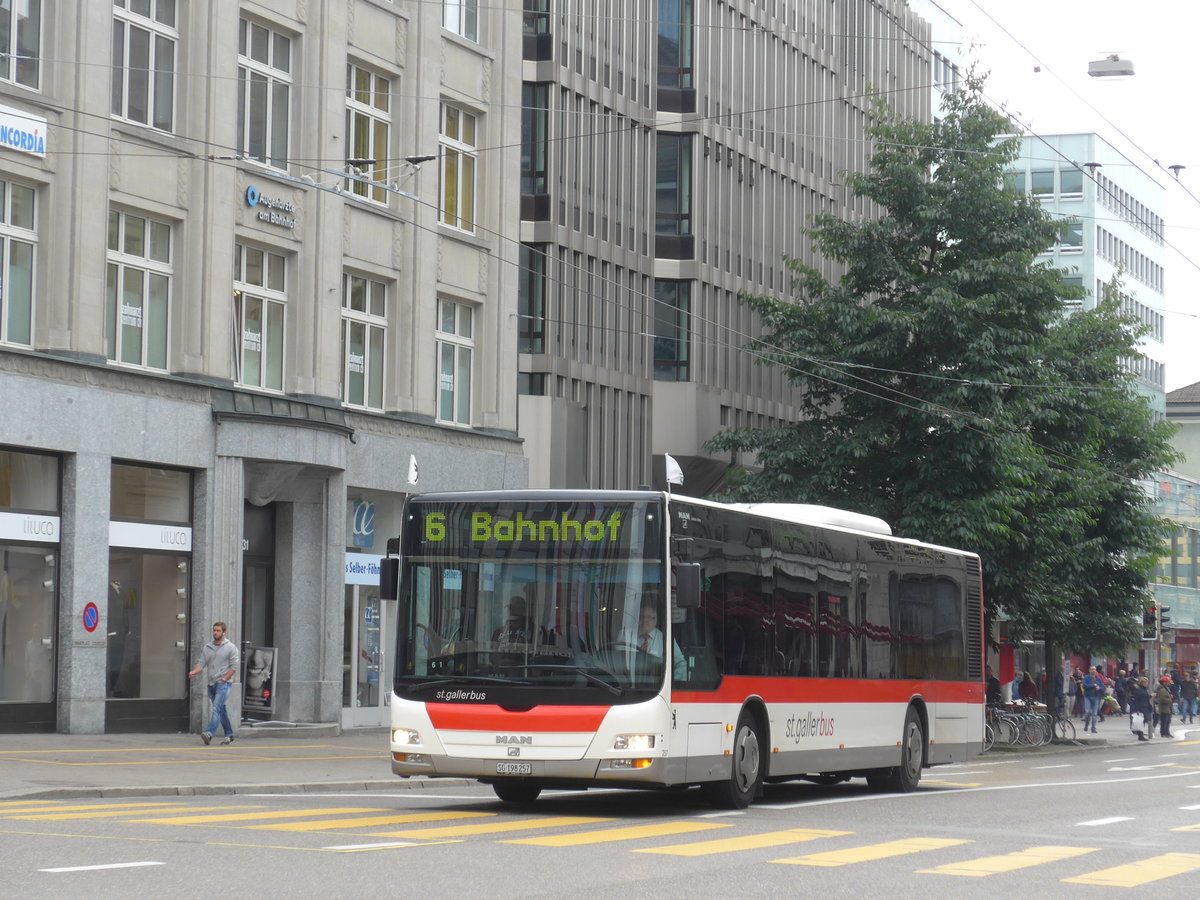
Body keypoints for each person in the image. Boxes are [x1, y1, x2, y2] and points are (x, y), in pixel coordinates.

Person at [188, 621, 240, 745]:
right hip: (211, 684)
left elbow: (234, 666)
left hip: (223, 684)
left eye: (218, 630)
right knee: (221, 710)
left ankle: (209, 734)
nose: (215, 633)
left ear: (224, 632)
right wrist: (194, 671)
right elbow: (201, 663)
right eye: (214, 630)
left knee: (216, 708)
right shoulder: (208, 647)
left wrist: (224, 679)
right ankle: (229, 734)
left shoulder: (230, 647)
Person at [625, 599, 686, 680]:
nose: (645, 620)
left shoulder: (666, 639)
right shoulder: (625, 635)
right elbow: (622, 662)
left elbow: (681, 663)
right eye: (642, 616)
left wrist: (674, 681)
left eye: (649, 617)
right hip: (629, 683)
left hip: (658, 685)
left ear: (656, 620)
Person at [1129, 675, 1153, 741]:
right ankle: (1140, 735)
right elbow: (1136, 699)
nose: (1146, 683)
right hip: (1140, 707)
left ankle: (1141, 734)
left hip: (1145, 707)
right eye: (1145, 682)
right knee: (1141, 721)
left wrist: (1149, 705)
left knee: (1144, 721)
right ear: (1142, 682)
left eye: (1147, 682)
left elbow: (1146, 698)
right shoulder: (1138, 690)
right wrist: (1137, 709)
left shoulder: (1144, 689)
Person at [1081, 666, 1102, 734]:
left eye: (1094, 669)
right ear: (1089, 670)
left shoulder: (1098, 678)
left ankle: (1093, 727)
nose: (1093, 671)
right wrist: (1093, 685)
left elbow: (1102, 687)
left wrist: (1099, 688)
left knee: (1094, 714)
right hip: (1088, 697)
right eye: (1092, 669)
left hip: (1096, 697)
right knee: (1087, 712)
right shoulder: (1086, 678)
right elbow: (1084, 685)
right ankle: (1086, 724)